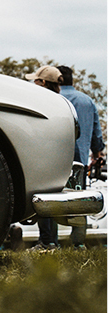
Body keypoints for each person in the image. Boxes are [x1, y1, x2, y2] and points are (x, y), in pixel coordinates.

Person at [57, 65, 105, 249]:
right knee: (79, 197)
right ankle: (78, 242)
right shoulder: (87, 101)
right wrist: (97, 153)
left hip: (57, 158)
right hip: (81, 159)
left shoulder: (55, 99)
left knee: (52, 195)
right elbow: (97, 135)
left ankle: (50, 240)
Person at [25, 65, 63, 249]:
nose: (33, 83)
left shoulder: (45, 102)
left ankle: (47, 241)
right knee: (51, 200)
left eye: (36, 80)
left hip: (45, 156)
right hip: (56, 156)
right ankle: (50, 241)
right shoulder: (61, 102)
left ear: (44, 82)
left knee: (43, 200)